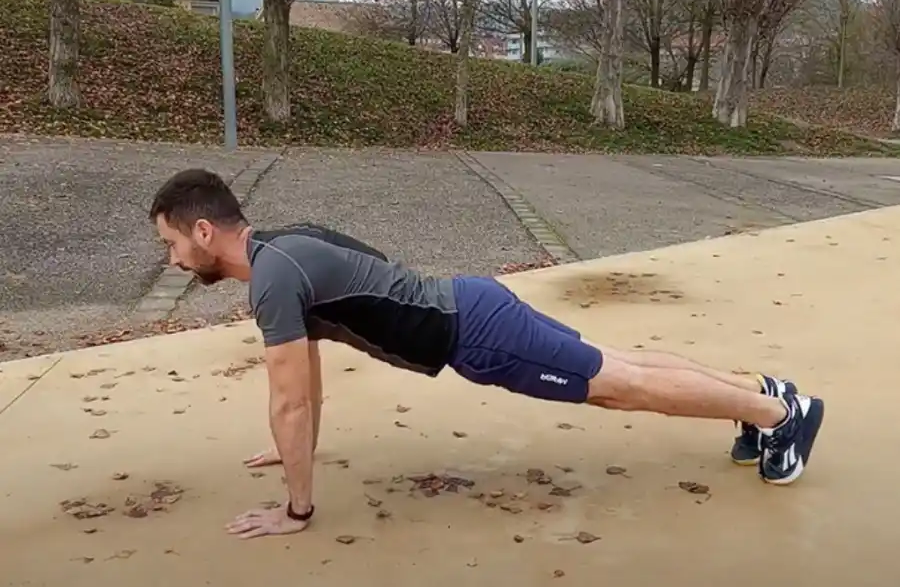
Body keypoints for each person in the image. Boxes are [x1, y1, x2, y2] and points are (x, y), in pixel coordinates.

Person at [150, 169, 825, 541]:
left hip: (476, 333)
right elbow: (311, 375)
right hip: (472, 307)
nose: (174, 259)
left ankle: (777, 415)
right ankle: (764, 396)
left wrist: (296, 510)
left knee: (619, 383)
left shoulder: (272, 280)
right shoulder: (285, 247)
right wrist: (294, 444)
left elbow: (291, 399)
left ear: (204, 230)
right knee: (618, 363)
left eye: (172, 244)